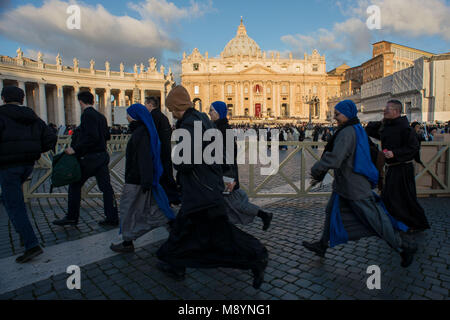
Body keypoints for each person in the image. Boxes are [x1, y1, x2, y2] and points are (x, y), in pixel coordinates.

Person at [156, 86, 269, 289]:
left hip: (201, 190)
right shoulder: (203, 121)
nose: (171, 112)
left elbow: (185, 162)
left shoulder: (190, 125)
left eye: (171, 108)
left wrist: (176, 160)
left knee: (219, 234)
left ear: (175, 106)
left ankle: (257, 256)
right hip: (205, 187)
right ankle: (175, 263)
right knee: (184, 229)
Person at [303, 100, 418, 268]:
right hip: (344, 184)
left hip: (354, 185)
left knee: (375, 219)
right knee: (330, 211)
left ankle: (403, 247)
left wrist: (316, 169)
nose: (335, 117)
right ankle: (322, 244)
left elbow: (335, 158)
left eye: (337, 114)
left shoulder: (347, 132)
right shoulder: (354, 128)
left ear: (347, 114)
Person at [0, 86, 57, 263]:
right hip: (28, 165)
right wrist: (36, 150)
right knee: (9, 200)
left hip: (8, 166)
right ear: (22, 99)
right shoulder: (32, 117)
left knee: (15, 205)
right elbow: (50, 138)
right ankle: (23, 233)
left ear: (3, 98)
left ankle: (31, 244)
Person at [110, 104, 175, 253]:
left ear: (134, 116)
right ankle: (170, 223)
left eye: (128, 114)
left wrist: (146, 181)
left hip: (136, 181)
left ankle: (127, 242)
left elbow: (145, 158)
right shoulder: (143, 131)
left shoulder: (140, 133)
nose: (126, 116)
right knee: (151, 207)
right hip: (140, 180)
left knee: (128, 210)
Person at [53, 91, 119, 227]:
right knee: (106, 188)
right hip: (102, 156)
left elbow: (92, 136)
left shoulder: (87, 115)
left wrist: (75, 149)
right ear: (93, 101)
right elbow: (106, 135)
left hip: (90, 158)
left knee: (75, 185)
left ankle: (72, 216)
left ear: (81, 102)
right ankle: (112, 216)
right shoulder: (101, 116)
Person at [366, 100, 430, 233]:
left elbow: (413, 147)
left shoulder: (405, 128)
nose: (384, 111)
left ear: (396, 111)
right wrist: (383, 120)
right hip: (392, 168)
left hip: (403, 168)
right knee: (390, 197)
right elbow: (370, 129)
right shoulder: (387, 126)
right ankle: (395, 222)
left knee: (406, 198)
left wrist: (395, 153)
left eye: (387, 109)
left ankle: (417, 224)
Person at [208, 101, 273, 230]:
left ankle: (264, 215)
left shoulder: (223, 130)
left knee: (235, 204)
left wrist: (231, 179)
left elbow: (229, 156)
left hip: (226, 175)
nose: (209, 113)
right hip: (222, 174)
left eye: (211, 110)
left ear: (218, 112)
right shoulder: (218, 128)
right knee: (227, 204)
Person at [144, 96, 180, 206]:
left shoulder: (152, 117)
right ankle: (172, 197)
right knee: (167, 175)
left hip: (158, 152)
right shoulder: (163, 117)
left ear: (150, 105)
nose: (145, 106)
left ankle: (167, 198)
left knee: (162, 177)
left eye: (146, 104)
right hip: (166, 150)